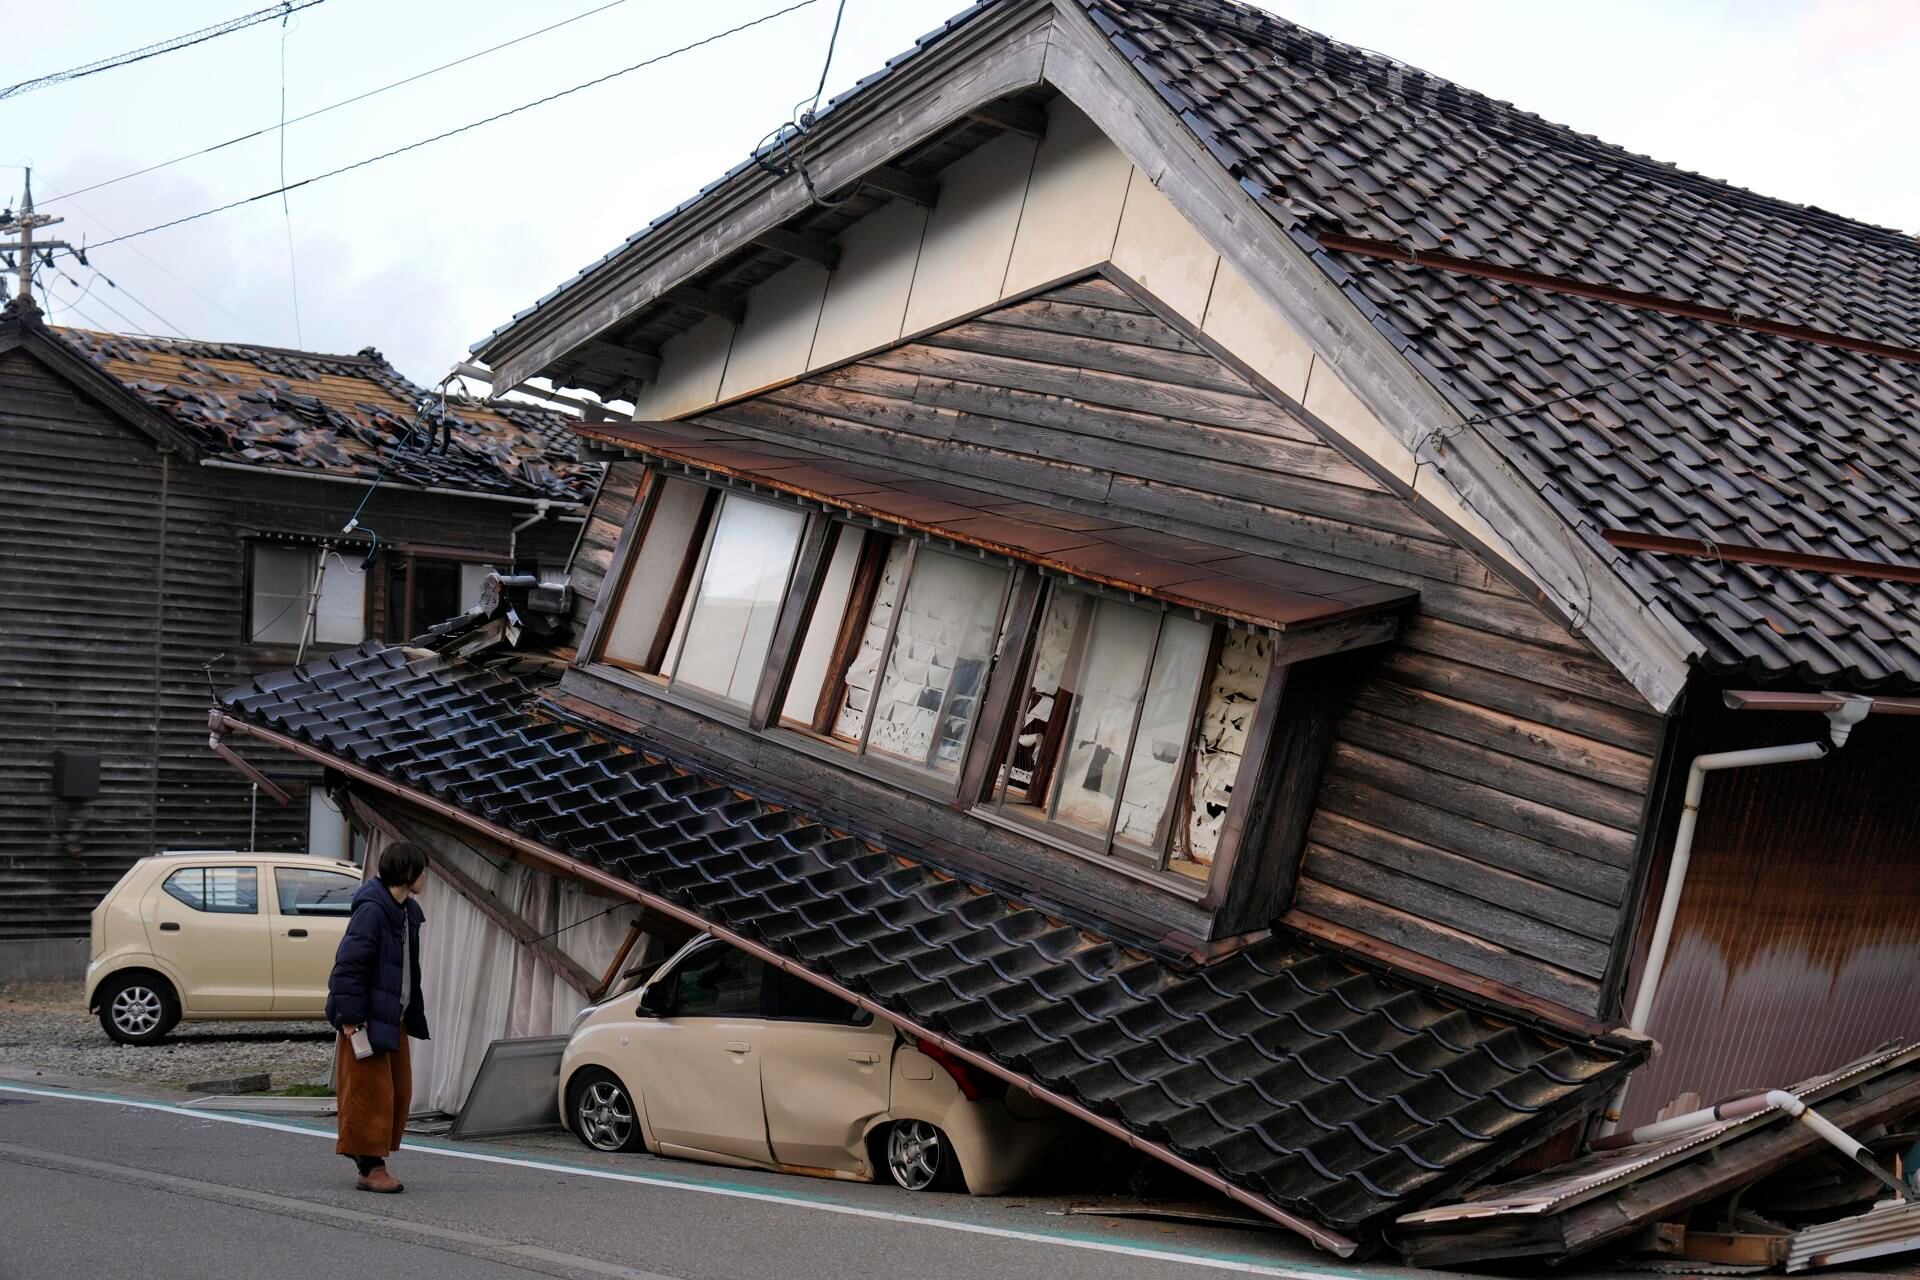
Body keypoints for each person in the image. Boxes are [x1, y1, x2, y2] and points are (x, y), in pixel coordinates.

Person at [327, 840, 431, 1193]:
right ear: (408, 873)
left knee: (397, 1092)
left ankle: (372, 1162)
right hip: (366, 1018)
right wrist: (352, 1019)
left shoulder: (404, 911)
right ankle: (371, 1168)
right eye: (422, 870)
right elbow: (347, 968)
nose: (426, 878)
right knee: (370, 1094)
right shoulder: (373, 911)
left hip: (392, 1015)